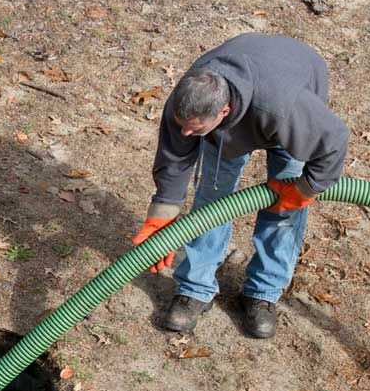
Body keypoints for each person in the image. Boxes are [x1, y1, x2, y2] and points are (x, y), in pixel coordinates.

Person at [132, 33, 349, 339]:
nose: (185, 132)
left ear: (223, 111)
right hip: (245, 104)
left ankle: (264, 292)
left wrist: (305, 190)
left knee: (284, 211)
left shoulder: (284, 106)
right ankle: (196, 288)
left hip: (287, 95)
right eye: (183, 125)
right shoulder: (189, 101)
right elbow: (175, 155)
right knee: (212, 199)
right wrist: (162, 212)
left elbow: (334, 141)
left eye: (194, 129)